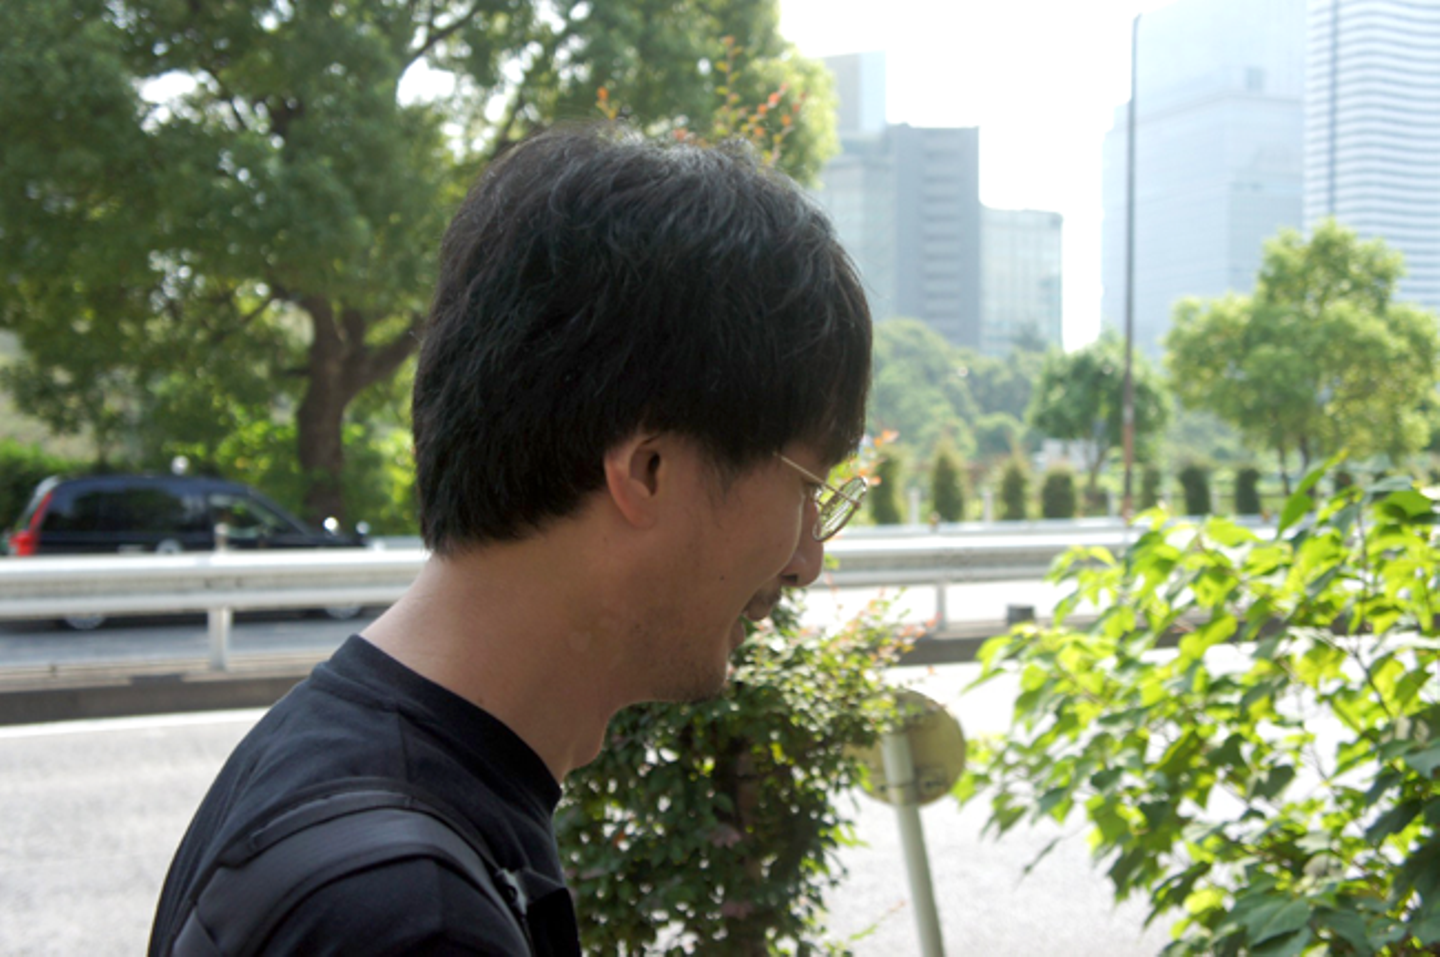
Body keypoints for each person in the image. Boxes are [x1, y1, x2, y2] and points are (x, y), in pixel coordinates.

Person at [147, 122, 872, 956]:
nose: (807, 559)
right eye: (808, 489)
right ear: (649, 469)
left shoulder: (313, 751)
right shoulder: (415, 920)